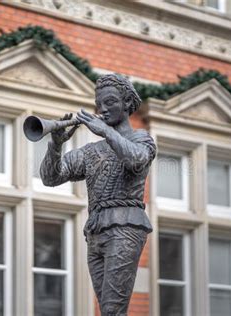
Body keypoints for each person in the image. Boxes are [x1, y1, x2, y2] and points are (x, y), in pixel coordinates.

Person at [40, 73, 156, 315]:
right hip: (95, 231)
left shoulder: (140, 139)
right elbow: (51, 177)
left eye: (110, 102)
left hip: (126, 226)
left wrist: (105, 131)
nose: (102, 109)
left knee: (113, 309)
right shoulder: (91, 151)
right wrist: (56, 144)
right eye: (99, 103)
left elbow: (136, 160)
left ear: (127, 103)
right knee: (107, 310)